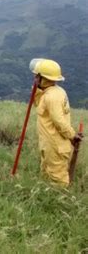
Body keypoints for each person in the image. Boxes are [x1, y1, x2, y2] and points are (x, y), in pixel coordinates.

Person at [31, 58, 83, 187]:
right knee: (46, 172)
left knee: (58, 178)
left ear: (44, 78)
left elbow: (58, 120)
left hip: (55, 145)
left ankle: (61, 200)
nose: (34, 78)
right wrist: (36, 88)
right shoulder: (52, 92)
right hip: (48, 143)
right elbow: (37, 103)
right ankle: (44, 196)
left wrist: (72, 136)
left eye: (37, 76)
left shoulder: (51, 97)